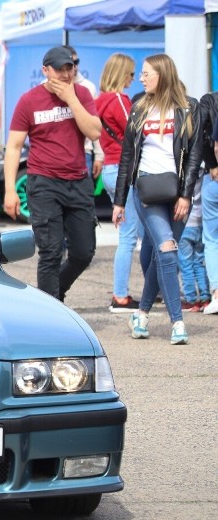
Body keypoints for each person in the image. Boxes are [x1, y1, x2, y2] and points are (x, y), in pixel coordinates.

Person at [113, 53, 202, 344]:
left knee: (165, 255)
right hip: (147, 191)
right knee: (166, 249)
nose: (141, 78)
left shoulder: (189, 108)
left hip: (178, 194)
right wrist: (119, 200)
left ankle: (140, 314)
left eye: (146, 73)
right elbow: (127, 157)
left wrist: (186, 196)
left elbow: (194, 157)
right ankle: (178, 322)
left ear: (161, 74)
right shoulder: (138, 109)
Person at [3, 45, 101, 301]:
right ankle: (52, 309)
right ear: (45, 71)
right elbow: (13, 147)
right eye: (60, 70)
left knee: (83, 253)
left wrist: (71, 99)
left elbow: (94, 132)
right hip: (43, 182)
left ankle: (53, 295)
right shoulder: (29, 100)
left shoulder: (82, 94)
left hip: (78, 181)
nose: (66, 74)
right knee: (50, 252)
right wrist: (10, 190)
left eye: (70, 68)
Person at [96, 52, 144, 313]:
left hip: (110, 168)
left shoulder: (100, 100)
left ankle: (125, 293)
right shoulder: (118, 99)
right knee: (129, 236)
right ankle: (121, 296)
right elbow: (134, 131)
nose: (133, 78)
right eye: (131, 73)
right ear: (121, 73)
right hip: (124, 170)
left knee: (129, 233)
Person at [64, 45, 103, 177]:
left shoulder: (88, 87)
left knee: (83, 197)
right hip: (54, 153)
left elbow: (96, 122)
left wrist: (99, 155)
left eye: (77, 62)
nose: (75, 67)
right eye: (71, 63)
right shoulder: (45, 86)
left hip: (83, 151)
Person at [197, 89, 218, 314]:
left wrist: (212, 164)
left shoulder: (209, 100)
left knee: (212, 239)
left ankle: (216, 293)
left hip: (213, 178)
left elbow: (201, 135)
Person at [179, 190, 210, 311]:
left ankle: (191, 300)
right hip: (200, 222)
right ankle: (205, 298)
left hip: (185, 222)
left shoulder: (183, 174)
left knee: (186, 264)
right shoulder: (203, 173)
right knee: (199, 262)